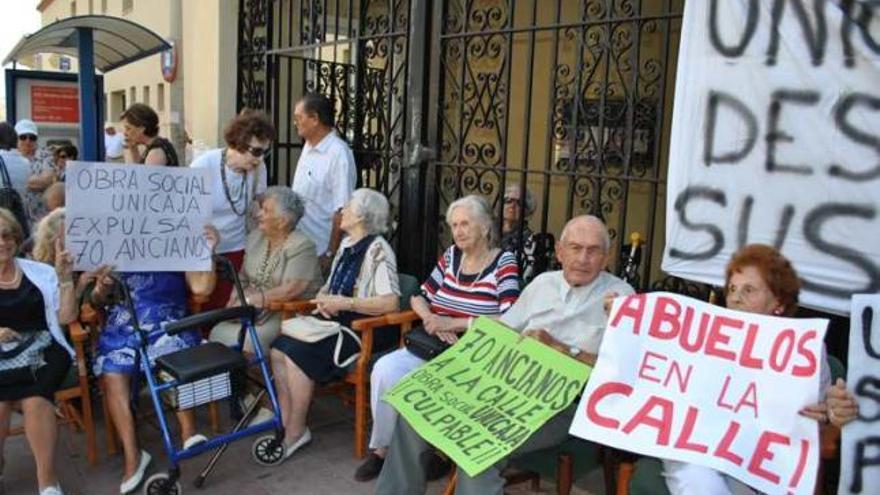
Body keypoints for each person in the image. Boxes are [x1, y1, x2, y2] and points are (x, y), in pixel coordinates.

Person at [374, 215, 634, 494]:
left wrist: (561, 348)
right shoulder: (542, 284)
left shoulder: (622, 299)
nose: (583, 258)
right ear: (560, 251)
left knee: (478, 444)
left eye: (593, 250)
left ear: (605, 258)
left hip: (561, 406)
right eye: (575, 247)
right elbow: (504, 331)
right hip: (504, 389)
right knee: (416, 410)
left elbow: (620, 373)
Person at [356, 195, 520, 482]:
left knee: (431, 386)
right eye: (454, 225)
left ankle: (438, 453)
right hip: (432, 344)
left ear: (484, 226)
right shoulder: (451, 257)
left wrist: (456, 323)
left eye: (465, 224)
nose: (458, 231)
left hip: (473, 353)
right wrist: (432, 319)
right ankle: (382, 450)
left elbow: (510, 320)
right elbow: (419, 296)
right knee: (385, 370)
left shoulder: (504, 263)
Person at [86, 138, 214, 493]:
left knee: (169, 348)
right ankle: (133, 456)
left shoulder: (183, 226)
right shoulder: (115, 228)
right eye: (147, 170)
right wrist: (101, 286)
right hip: (123, 321)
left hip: (168, 315)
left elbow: (202, 290)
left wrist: (206, 250)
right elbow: (95, 300)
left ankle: (188, 431)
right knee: (113, 374)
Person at [661, 244, 832, 495]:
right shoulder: (704, 337)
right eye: (732, 289)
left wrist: (822, 414)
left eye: (748, 290)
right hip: (700, 451)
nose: (735, 297)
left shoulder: (806, 351)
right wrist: (623, 317)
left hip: (765, 457)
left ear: (779, 302)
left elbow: (821, 417)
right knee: (696, 476)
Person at [268, 188, 400, 462]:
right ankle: (286, 420)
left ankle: (295, 431)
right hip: (332, 322)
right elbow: (331, 288)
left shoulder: (378, 250)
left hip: (361, 328)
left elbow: (391, 303)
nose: (342, 211)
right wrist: (324, 300)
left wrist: (345, 303)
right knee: (278, 349)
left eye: (348, 207)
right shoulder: (346, 244)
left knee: (297, 354)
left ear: (362, 215)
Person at [0, 208, 77, 495]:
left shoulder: (40, 273)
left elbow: (67, 318)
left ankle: (47, 481)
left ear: (15, 238)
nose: (1, 242)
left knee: (35, 400)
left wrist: (65, 279)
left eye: (6, 235)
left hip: (44, 349)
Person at [209, 186, 323, 355]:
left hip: (287, 313)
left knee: (248, 340)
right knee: (217, 331)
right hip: (254, 310)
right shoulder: (255, 238)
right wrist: (235, 299)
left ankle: (257, 380)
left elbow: (292, 289)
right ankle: (237, 381)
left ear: (282, 220)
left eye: (266, 210)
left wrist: (251, 300)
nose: (258, 214)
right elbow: (243, 277)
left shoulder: (301, 245)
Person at [191, 110, 273, 311]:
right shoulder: (204, 165)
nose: (260, 159)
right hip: (204, 251)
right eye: (256, 151)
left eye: (265, 152)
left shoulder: (258, 170)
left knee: (227, 308)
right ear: (238, 143)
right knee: (201, 306)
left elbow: (260, 202)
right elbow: (185, 211)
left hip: (236, 248)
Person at [291, 93, 357, 271]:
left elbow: (342, 210)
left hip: (320, 251)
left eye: (299, 118)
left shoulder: (338, 153)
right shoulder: (308, 146)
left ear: (314, 119)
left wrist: (330, 253)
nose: (295, 122)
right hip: (300, 247)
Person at [16, 119, 56, 224]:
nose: (27, 141)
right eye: (23, 137)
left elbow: (46, 181)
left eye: (32, 137)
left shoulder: (45, 155)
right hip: (16, 217)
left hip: (40, 218)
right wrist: (33, 180)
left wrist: (15, 180)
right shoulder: (9, 156)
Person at [499, 184, 540, 283]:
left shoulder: (531, 240)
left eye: (519, 203)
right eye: (508, 201)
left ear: (527, 210)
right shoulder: (488, 233)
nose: (512, 206)